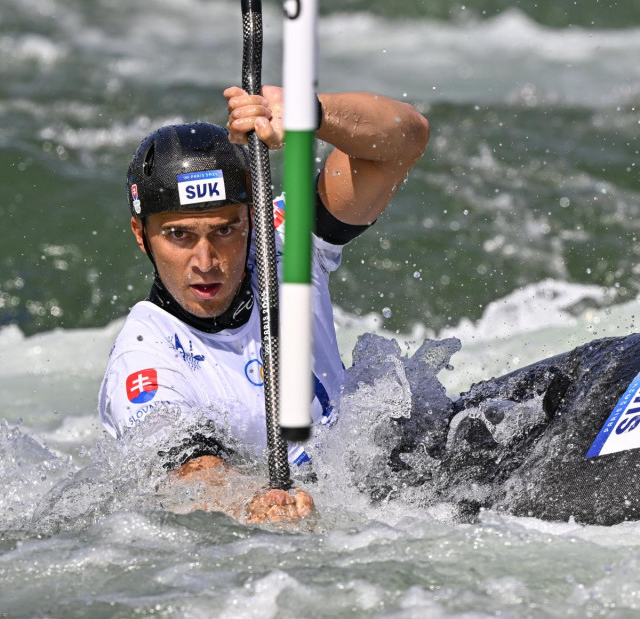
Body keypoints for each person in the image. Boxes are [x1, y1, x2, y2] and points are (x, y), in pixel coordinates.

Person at [97, 85, 429, 522]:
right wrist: (253, 502)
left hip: (395, 475)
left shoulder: (283, 241)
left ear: (252, 217)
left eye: (224, 230)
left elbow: (405, 141)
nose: (205, 261)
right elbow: (191, 472)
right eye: (179, 235)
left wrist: (311, 112)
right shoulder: (144, 360)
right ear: (142, 236)